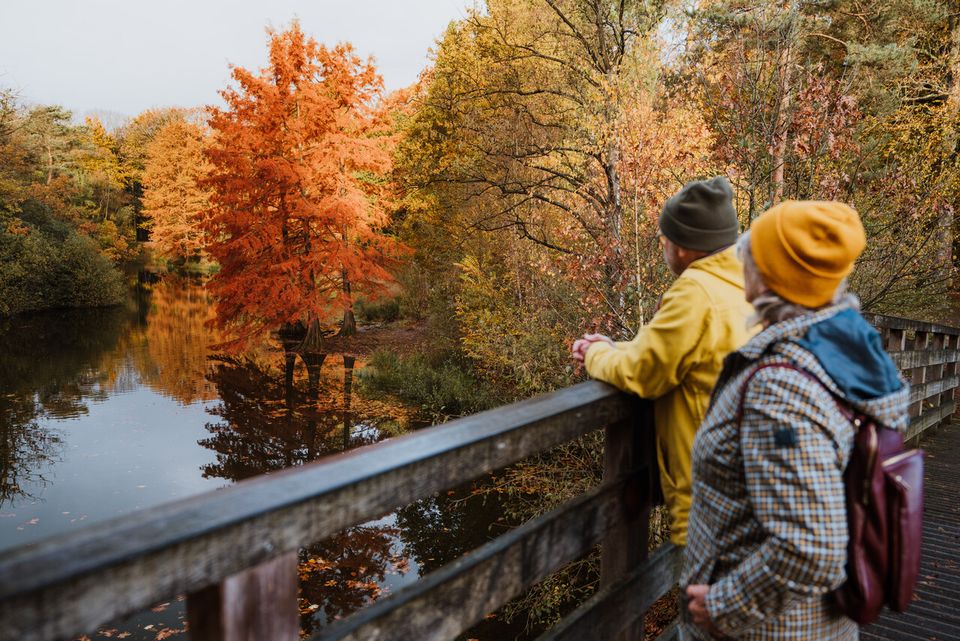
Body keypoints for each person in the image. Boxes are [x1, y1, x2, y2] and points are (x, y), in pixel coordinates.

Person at [680, 201, 908, 640]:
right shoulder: (844, 355)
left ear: (767, 275)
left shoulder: (781, 389)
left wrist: (723, 607)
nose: (740, 259)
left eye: (748, 251)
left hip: (766, 629)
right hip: (820, 625)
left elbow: (812, 548)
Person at [572, 176, 755, 547]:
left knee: (706, 603)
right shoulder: (746, 286)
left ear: (685, 247)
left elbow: (643, 374)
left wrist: (595, 355)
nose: (664, 247)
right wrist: (615, 346)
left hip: (712, 502)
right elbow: (685, 352)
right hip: (750, 485)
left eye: (664, 239)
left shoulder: (695, 292)